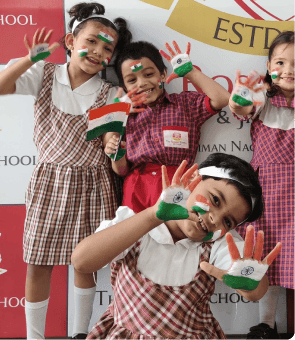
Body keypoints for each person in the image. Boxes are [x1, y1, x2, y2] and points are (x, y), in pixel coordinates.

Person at [0, 2, 133, 340]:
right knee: (38, 262)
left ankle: (80, 333)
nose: (98, 52)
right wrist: (30, 59)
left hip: (93, 183)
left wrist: (114, 143)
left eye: (107, 48)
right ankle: (34, 337)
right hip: (50, 182)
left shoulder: (111, 94)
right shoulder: (44, 74)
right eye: (91, 41)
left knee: (85, 263)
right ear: (70, 41)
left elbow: (108, 141)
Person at [72, 153, 282, 340]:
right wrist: (153, 216)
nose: (215, 219)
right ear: (192, 180)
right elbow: (82, 261)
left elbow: (255, 291)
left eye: (227, 221)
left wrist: (249, 282)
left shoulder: (218, 244)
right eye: (215, 200)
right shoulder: (136, 225)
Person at [104, 40, 230, 213]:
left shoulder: (185, 105)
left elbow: (223, 99)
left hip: (178, 187)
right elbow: (121, 170)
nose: (141, 83)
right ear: (124, 87)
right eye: (132, 80)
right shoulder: (125, 117)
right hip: (137, 190)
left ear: (163, 74)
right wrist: (117, 155)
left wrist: (190, 72)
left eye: (148, 74)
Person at [228, 30, 295, 339]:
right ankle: (265, 325)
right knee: (265, 258)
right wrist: (240, 96)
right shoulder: (262, 100)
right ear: (269, 66)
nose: (289, 70)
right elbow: (240, 109)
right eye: (280, 62)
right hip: (267, 194)